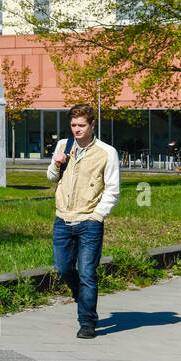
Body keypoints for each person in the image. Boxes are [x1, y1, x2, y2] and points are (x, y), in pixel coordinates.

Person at [47, 104, 121, 338]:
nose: (76, 130)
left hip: (89, 221)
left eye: (81, 125)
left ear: (92, 125)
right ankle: (82, 295)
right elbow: (51, 178)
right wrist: (56, 164)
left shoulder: (107, 152)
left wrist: (97, 215)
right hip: (63, 219)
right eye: (73, 125)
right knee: (62, 267)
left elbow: (112, 189)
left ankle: (87, 322)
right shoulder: (63, 146)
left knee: (88, 272)